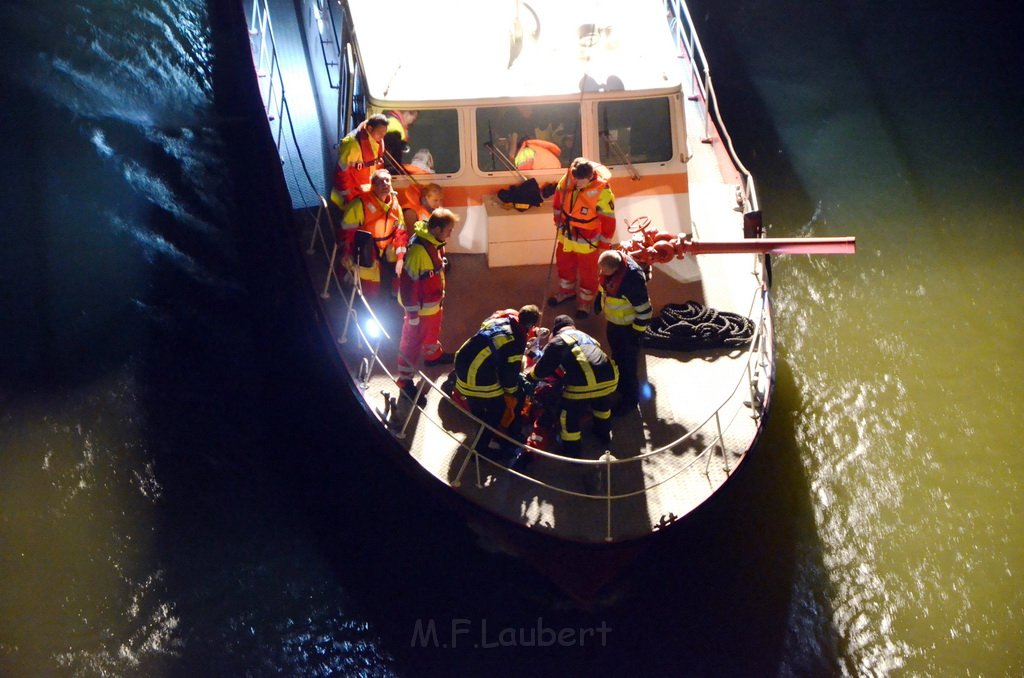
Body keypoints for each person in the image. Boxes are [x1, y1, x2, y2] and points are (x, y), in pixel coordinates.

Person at [454, 305, 541, 454]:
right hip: (476, 374)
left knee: (477, 402)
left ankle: (479, 420)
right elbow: (509, 374)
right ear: (531, 325)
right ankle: (480, 449)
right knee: (497, 408)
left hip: (462, 360)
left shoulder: (499, 321)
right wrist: (515, 391)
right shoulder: (517, 340)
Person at [527, 315, 618, 457]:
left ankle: (572, 451)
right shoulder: (586, 336)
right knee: (601, 406)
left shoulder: (558, 341)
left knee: (568, 417)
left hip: (583, 385)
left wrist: (530, 378)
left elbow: (543, 368)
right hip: (609, 380)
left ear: (556, 330)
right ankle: (604, 434)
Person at [396, 208, 458, 401]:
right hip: (420, 311)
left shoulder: (433, 243)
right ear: (437, 229)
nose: (450, 233)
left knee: (431, 334)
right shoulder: (417, 252)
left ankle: (433, 356)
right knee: (411, 344)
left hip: (432, 305)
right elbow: (408, 287)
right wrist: (413, 316)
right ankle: (405, 381)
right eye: (448, 229)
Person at [547, 157, 616, 320]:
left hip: (588, 238)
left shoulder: (603, 191)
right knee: (564, 263)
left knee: (589, 271)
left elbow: (608, 220)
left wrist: (604, 246)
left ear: (591, 177)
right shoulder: (567, 180)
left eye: (581, 182)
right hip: (566, 234)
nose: (578, 184)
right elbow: (557, 202)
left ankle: (585, 302)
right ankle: (566, 292)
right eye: (576, 180)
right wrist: (558, 221)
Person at [597, 249, 652, 415]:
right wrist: (597, 302)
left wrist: (636, 333)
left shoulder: (631, 281)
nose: (601, 273)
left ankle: (630, 400)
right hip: (615, 324)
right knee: (617, 358)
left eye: (604, 271)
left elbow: (645, 312)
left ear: (615, 268)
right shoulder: (612, 268)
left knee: (628, 366)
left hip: (628, 328)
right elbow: (604, 288)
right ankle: (618, 386)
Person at [339, 170, 405, 298]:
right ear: (373, 186)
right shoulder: (359, 204)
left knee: (403, 262)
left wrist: (401, 256)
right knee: (369, 283)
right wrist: (347, 253)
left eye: (387, 180)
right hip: (366, 247)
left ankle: (396, 293)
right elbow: (346, 234)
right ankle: (350, 278)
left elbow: (401, 231)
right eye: (380, 182)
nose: (385, 184)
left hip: (387, 246)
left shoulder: (395, 205)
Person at [330, 114, 388, 209]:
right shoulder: (352, 145)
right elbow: (342, 175)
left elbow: (377, 168)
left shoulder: (376, 141)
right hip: (348, 199)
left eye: (384, 133)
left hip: (364, 196)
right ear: (369, 128)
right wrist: (350, 199)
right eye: (380, 133)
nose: (382, 137)